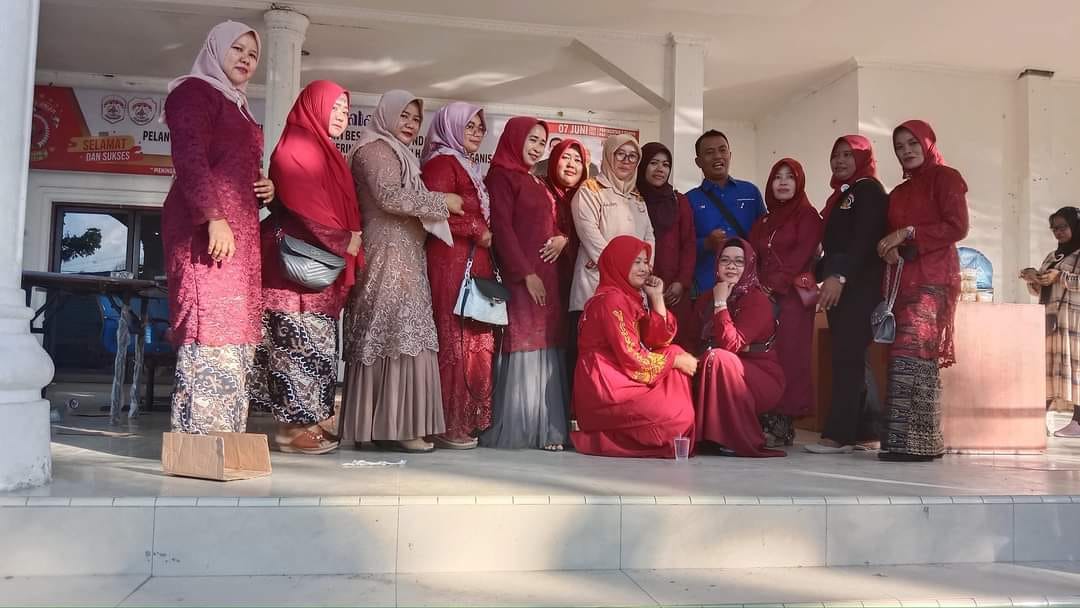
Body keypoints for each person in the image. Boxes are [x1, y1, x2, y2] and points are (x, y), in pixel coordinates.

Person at [162, 21, 274, 434]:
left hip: (238, 234)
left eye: (253, 54)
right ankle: (199, 443)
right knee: (209, 326)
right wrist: (213, 217)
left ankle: (224, 438)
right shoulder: (193, 92)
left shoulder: (238, 103)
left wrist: (264, 186)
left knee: (234, 332)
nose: (246, 59)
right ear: (215, 49)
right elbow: (190, 158)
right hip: (206, 233)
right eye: (237, 49)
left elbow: (231, 163)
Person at [340, 90, 465, 454]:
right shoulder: (375, 149)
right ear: (387, 115)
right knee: (394, 330)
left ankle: (387, 426)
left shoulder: (399, 152)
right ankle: (397, 427)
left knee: (403, 330)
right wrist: (442, 201)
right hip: (387, 252)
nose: (410, 124)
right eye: (404, 116)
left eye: (416, 119)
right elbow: (389, 197)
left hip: (404, 252)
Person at [252, 80, 362, 454]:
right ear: (314, 107)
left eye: (345, 110)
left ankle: (310, 420)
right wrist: (343, 240)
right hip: (293, 272)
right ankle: (291, 431)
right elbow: (305, 206)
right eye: (334, 107)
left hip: (317, 270)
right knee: (294, 348)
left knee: (316, 349)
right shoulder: (295, 147)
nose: (341, 116)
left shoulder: (328, 152)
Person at [876, 120, 969, 462]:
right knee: (903, 356)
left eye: (913, 143)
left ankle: (916, 444)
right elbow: (888, 235)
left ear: (928, 143)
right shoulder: (899, 193)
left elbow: (957, 226)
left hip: (933, 279)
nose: (906, 151)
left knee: (913, 352)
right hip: (901, 281)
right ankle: (906, 442)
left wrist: (909, 233)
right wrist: (888, 248)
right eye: (899, 147)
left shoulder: (946, 178)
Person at [483, 117, 569, 450]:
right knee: (523, 343)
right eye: (531, 139)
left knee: (545, 344)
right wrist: (525, 273)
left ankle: (545, 427)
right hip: (522, 278)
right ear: (514, 138)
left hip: (546, 276)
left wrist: (561, 238)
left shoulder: (536, 180)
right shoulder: (501, 177)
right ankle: (521, 426)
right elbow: (502, 229)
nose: (536, 148)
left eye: (541, 142)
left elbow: (549, 222)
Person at [571, 235, 698, 458]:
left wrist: (657, 298)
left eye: (645, 262)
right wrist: (675, 362)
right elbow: (632, 355)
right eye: (636, 262)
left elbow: (657, 341)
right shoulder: (613, 301)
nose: (644, 268)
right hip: (606, 386)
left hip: (619, 374)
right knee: (676, 418)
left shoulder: (628, 297)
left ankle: (676, 425)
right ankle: (603, 437)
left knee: (674, 352)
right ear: (619, 263)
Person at [806, 136, 889, 454]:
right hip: (845, 285)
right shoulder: (845, 194)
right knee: (853, 355)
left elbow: (863, 240)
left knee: (847, 358)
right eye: (835, 155)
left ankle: (838, 435)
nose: (839, 161)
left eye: (847, 155)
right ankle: (868, 431)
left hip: (857, 286)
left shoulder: (868, 191)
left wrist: (839, 276)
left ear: (863, 158)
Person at [420, 101, 496, 450]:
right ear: (451, 127)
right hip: (451, 259)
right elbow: (433, 212)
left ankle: (468, 419)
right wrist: (476, 228)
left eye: (480, 128)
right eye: (469, 126)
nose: (476, 133)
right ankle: (446, 423)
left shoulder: (469, 165)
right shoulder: (441, 163)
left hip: (475, 259)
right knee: (454, 339)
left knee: (475, 339)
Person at [747, 158, 822, 447]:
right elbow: (752, 257)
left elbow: (800, 257)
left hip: (792, 300)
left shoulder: (808, 217)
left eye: (789, 177)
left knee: (790, 357)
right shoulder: (764, 221)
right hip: (762, 298)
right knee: (764, 356)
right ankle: (763, 420)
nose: (782, 182)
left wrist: (771, 286)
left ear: (799, 182)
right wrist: (755, 289)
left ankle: (782, 425)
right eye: (777, 177)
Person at [694, 238, 786, 457]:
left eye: (739, 261)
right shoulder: (706, 298)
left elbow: (732, 344)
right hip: (720, 367)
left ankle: (737, 438)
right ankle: (706, 438)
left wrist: (720, 304)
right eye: (725, 260)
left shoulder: (756, 300)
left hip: (760, 375)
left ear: (749, 265)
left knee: (718, 357)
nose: (731, 266)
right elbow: (691, 339)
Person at [569, 134, 654, 329]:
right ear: (608, 155)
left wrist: (644, 268)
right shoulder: (590, 190)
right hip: (595, 286)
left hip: (632, 288)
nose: (626, 160)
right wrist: (625, 271)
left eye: (632, 156)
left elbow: (649, 236)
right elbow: (590, 234)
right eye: (620, 154)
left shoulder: (637, 197)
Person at [1021, 206, 1080, 438]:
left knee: (1075, 369)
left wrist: (1060, 276)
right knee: (1048, 369)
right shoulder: (1052, 256)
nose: (1058, 232)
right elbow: (1040, 290)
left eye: (1063, 227)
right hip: (1050, 319)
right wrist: (1034, 278)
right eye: (1054, 228)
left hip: (1074, 320)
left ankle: (1078, 421)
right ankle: (1038, 419)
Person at [687, 130, 765, 296]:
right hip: (707, 289)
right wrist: (706, 243)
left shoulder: (750, 192)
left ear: (730, 155)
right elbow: (683, 247)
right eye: (709, 152)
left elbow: (765, 236)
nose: (717, 156)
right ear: (698, 162)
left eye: (722, 150)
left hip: (748, 287)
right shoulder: (689, 200)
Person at [542, 138, 590, 398]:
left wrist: (568, 239)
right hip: (545, 283)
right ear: (553, 160)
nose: (572, 165)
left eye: (578, 160)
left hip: (579, 285)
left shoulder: (589, 197)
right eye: (565, 158)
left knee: (574, 345)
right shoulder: (540, 190)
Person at [637, 142, 697, 350]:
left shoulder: (679, 201)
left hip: (674, 290)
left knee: (676, 345)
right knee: (643, 343)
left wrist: (681, 282)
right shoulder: (634, 199)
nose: (660, 169)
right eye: (654, 163)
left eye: (665, 164)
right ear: (643, 165)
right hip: (640, 285)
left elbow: (689, 244)